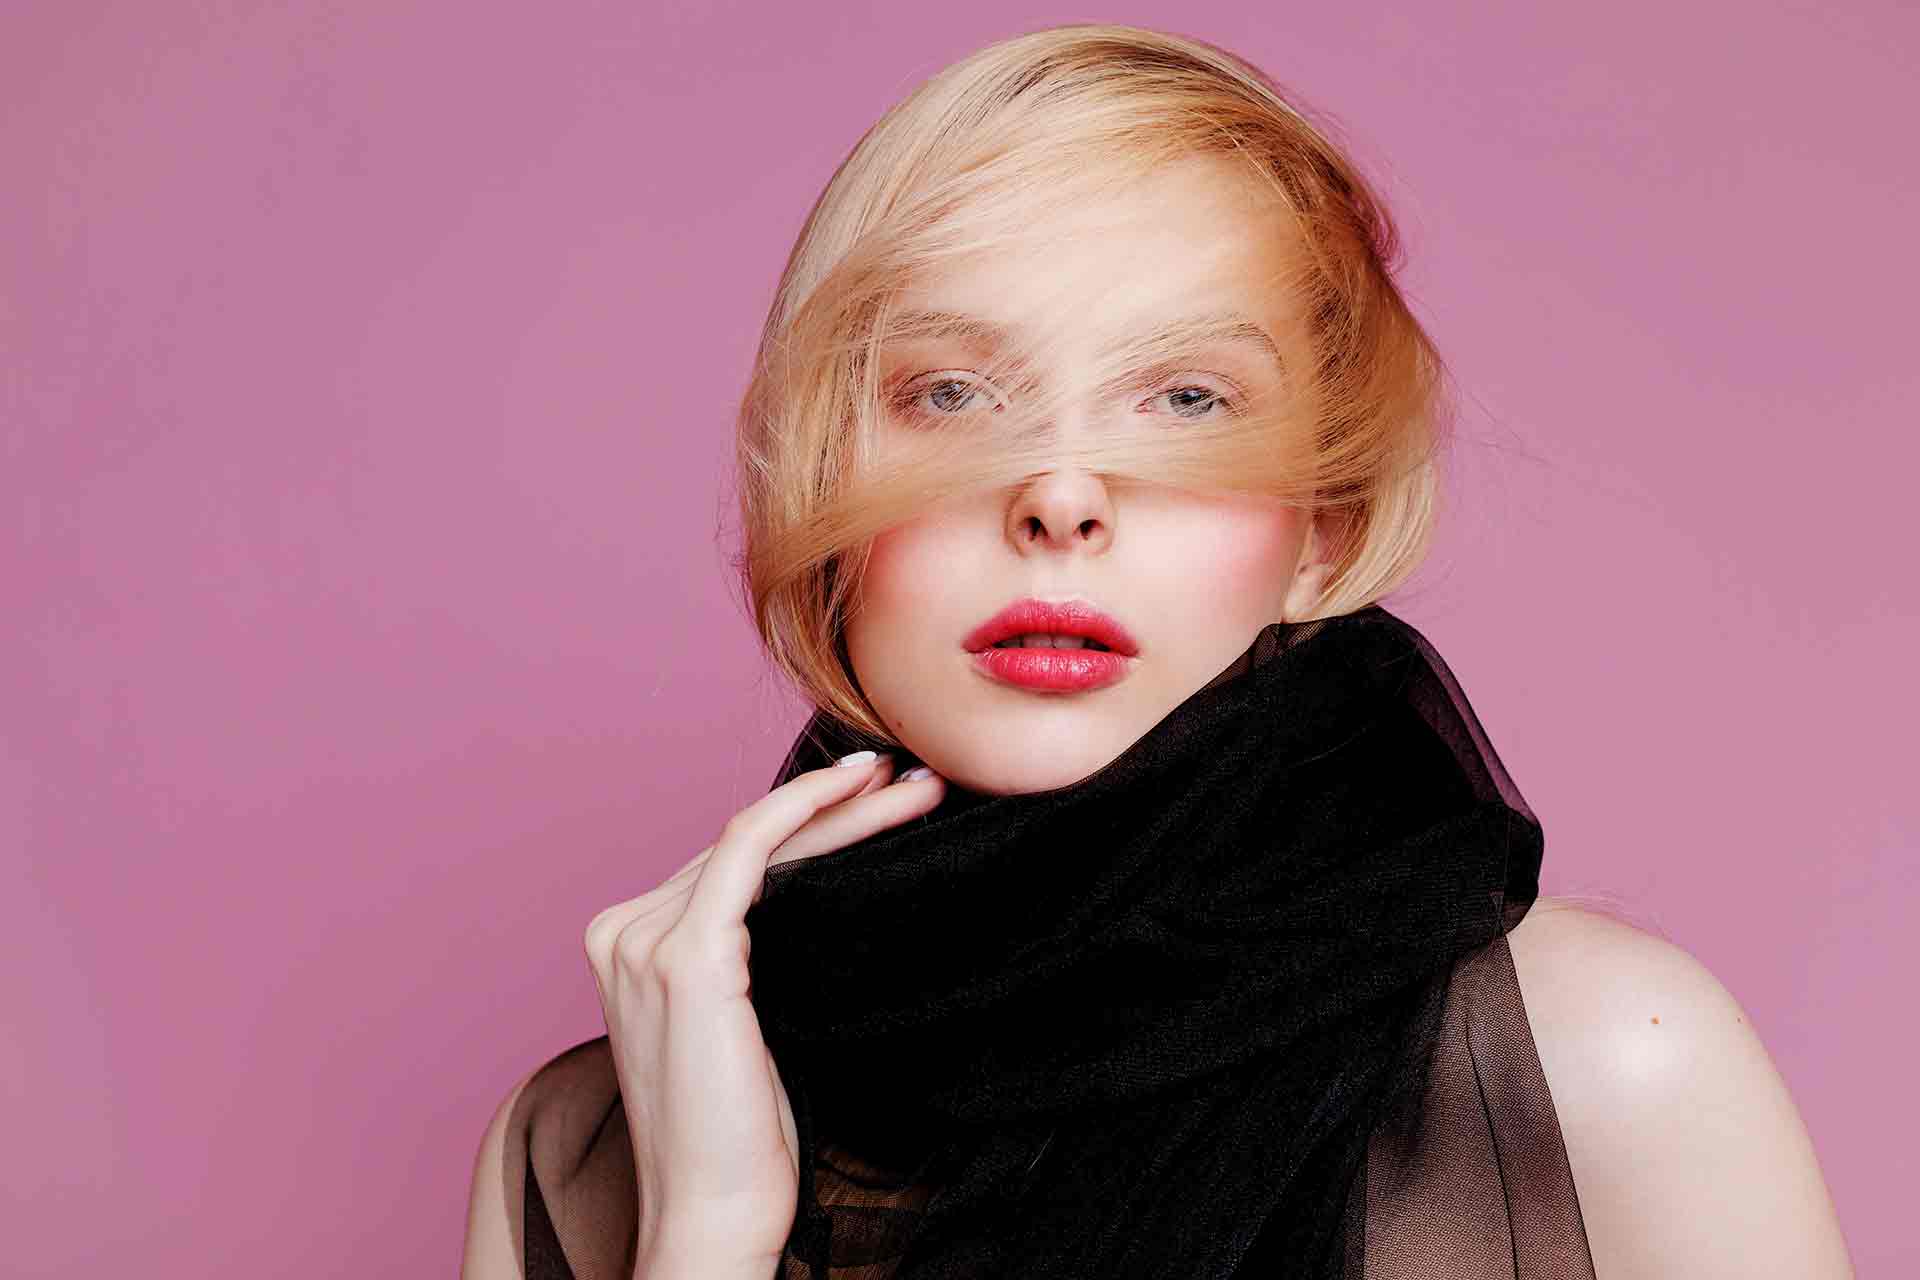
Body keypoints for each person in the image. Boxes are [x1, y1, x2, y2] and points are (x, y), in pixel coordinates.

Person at [462, 23, 1853, 1280]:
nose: (1060, 497)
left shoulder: (1601, 1068)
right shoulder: (592, 1150)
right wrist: (705, 1233)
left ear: (1320, 533)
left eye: (1188, 398)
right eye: (952, 392)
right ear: (823, 486)